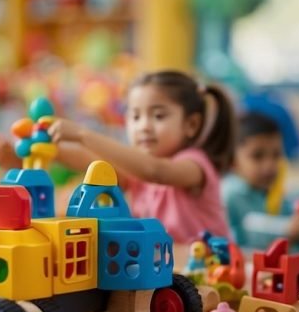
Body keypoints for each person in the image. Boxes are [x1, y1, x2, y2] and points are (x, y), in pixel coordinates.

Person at [50, 70, 234, 244]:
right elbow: (95, 163)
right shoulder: (137, 168)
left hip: (207, 270)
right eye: (135, 116)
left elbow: (155, 171)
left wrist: (83, 134)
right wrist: (51, 148)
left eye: (158, 116)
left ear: (191, 124)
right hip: (163, 269)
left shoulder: (194, 164)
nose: (144, 126)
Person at [222, 112, 299, 249]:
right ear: (232, 159)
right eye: (257, 156)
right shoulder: (230, 193)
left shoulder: (272, 191)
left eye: (276, 155)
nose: (269, 165)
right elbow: (236, 241)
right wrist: (286, 231)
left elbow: (292, 228)